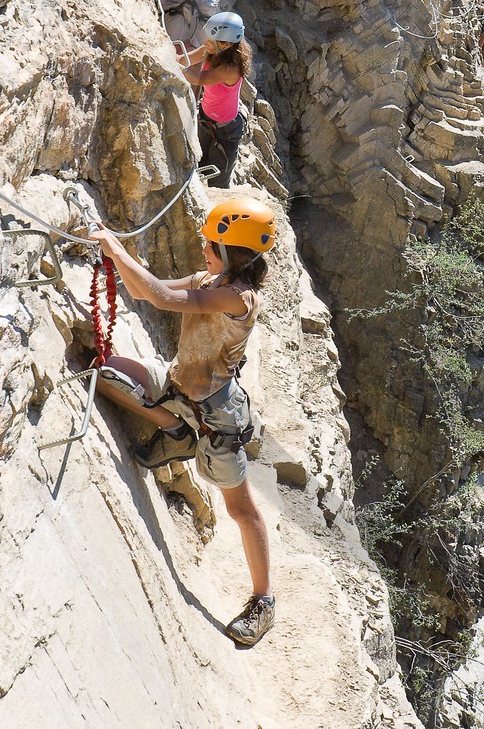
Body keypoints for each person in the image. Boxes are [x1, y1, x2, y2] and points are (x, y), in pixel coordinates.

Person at [89, 197, 277, 647]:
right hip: (180, 389)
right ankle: (174, 432)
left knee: (240, 508)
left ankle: (264, 601)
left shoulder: (238, 299)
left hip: (217, 417)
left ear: (234, 252)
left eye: (212, 243)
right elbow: (144, 290)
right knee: (107, 371)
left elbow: (161, 296)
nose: (204, 247)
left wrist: (115, 247)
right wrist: (113, 254)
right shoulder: (211, 280)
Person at [184, 12, 250, 188]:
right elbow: (187, 59)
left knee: (218, 179)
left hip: (227, 130)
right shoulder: (213, 48)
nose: (209, 43)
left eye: (214, 41)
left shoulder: (231, 68)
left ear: (228, 44)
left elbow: (195, 78)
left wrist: (173, 62)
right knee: (199, 162)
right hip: (206, 117)